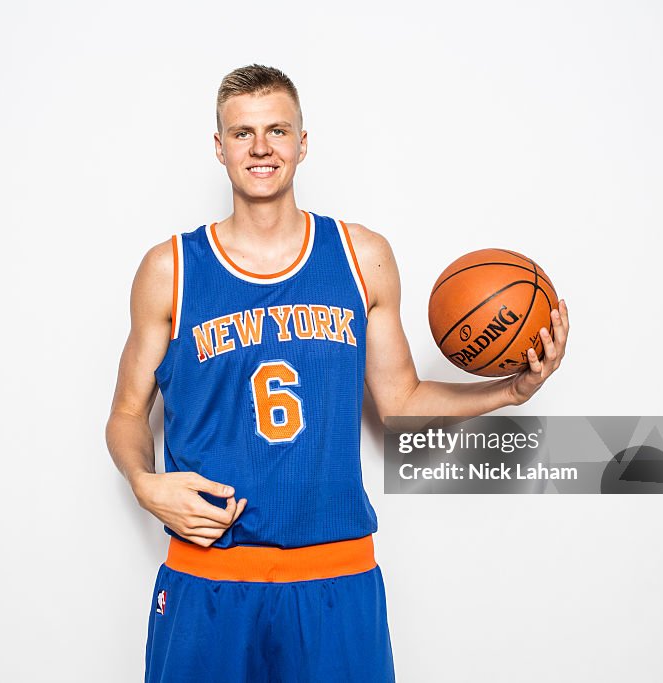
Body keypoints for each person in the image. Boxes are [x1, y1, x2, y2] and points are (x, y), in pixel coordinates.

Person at [106, 64, 569, 682]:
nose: (262, 147)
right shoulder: (171, 269)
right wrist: (143, 480)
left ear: (303, 142)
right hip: (208, 579)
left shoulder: (361, 257)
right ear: (219, 148)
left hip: (336, 577)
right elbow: (128, 414)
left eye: (277, 130)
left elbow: (400, 401)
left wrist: (509, 391)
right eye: (243, 133)